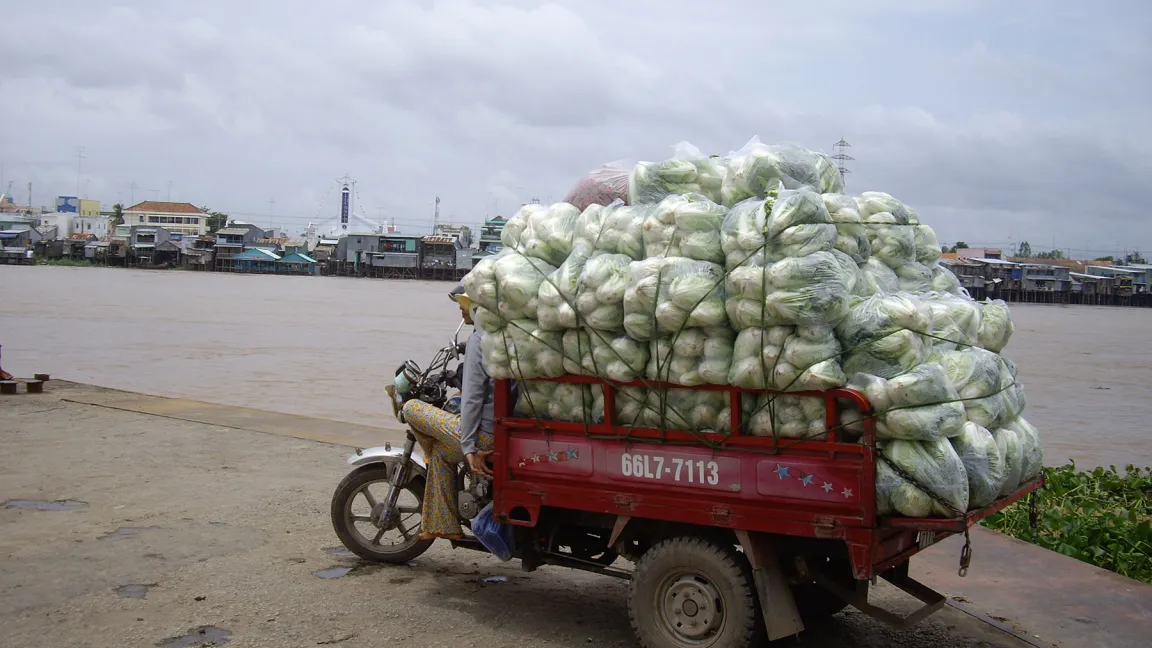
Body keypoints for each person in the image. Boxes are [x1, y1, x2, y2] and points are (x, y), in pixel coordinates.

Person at [400, 283, 495, 541]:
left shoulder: (479, 339)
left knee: (410, 408)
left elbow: (473, 398)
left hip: (486, 437)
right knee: (443, 454)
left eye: (463, 306)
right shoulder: (500, 335)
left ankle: (427, 453)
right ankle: (443, 524)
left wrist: (469, 447)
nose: (461, 312)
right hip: (504, 430)